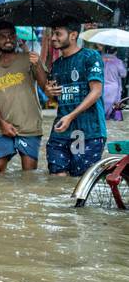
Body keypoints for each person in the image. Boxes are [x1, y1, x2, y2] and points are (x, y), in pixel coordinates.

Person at [0, 21, 47, 172]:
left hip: (29, 126)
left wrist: (38, 64)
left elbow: (44, 86)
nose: (8, 39)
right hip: (1, 127)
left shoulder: (29, 58)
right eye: (2, 36)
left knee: (29, 174)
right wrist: (3, 124)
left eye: (11, 35)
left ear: (16, 37)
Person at [44, 19, 105, 177]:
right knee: (57, 178)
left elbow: (96, 91)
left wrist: (70, 116)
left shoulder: (91, 57)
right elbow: (55, 100)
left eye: (58, 34)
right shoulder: (56, 65)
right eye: (52, 34)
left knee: (81, 181)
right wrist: (49, 93)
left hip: (90, 131)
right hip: (61, 132)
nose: (53, 38)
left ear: (73, 35)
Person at [99, 44, 125, 122]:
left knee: (101, 110)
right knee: (114, 109)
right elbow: (123, 74)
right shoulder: (118, 62)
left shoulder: (99, 59)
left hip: (101, 86)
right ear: (115, 52)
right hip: (113, 89)